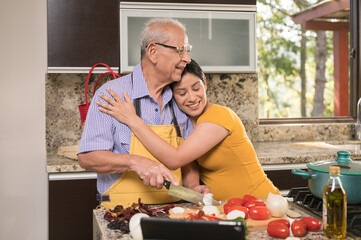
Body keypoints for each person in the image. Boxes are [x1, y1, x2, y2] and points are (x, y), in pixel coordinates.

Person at [96, 59, 280, 201]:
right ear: (172, 95)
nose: (192, 98)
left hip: (260, 202)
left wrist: (132, 120)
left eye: (196, 88)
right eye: (182, 93)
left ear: (205, 84)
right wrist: (191, 190)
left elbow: (176, 159)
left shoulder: (219, 116)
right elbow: (189, 161)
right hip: (230, 209)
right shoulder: (185, 122)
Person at [78, 18, 209, 208]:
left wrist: (192, 188)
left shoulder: (181, 97)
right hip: (121, 212)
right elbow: (87, 158)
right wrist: (135, 162)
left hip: (176, 211)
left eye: (188, 51)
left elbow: (187, 160)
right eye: (181, 50)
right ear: (153, 52)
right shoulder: (111, 95)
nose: (187, 59)